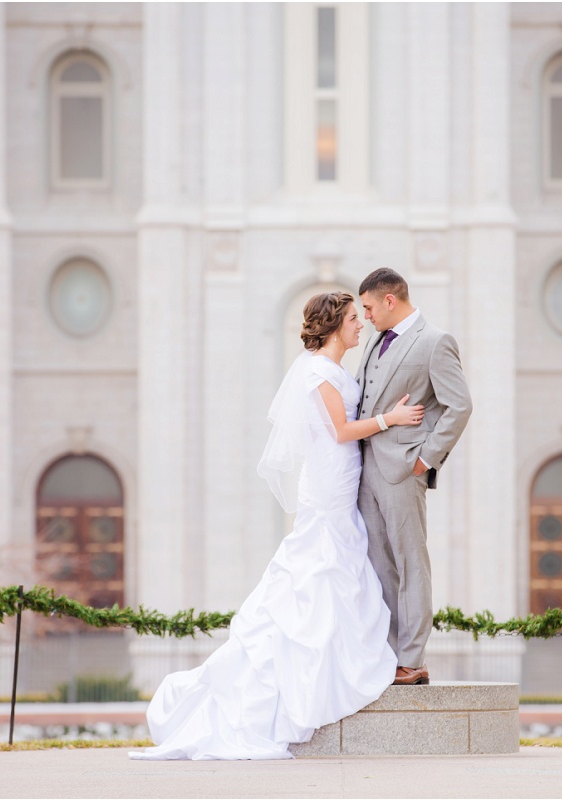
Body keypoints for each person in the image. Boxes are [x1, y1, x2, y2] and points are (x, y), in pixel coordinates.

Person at [129, 292, 425, 761]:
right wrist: (392, 419)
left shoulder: (336, 370)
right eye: (353, 319)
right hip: (329, 484)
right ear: (332, 326)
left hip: (341, 477)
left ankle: (338, 660)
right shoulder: (318, 373)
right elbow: (340, 431)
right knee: (320, 567)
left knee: (339, 567)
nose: (360, 325)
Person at [355, 268, 473, 686]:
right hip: (365, 469)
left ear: (390, 300)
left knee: (410, 563)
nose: (365, 315)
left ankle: (413, 659)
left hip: (404, 469)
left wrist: (425, 459)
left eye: (368, 307)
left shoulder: (434, 341)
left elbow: (458, 406)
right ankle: (388, 657)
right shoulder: (375, 341)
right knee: (379, 566)